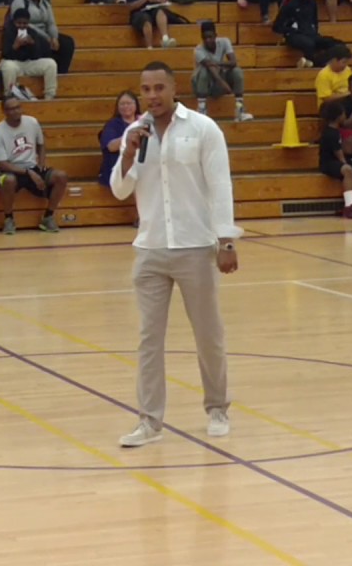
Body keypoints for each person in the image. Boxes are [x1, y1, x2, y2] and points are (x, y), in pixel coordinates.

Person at [109, 61, 237, 447]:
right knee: (149, 339)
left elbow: (219, 185)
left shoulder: (202, 129)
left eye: (158, 88)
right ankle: (149, 421)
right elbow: (118, 190)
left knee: (207, 334)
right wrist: (128, 154)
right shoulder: (136, 133)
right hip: (150, 249)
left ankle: (217, 408)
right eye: (145, 89)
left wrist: (226, 240)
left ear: (174, 88)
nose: (152, 96)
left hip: (196, 247)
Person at [0, 95, 68, 234]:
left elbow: (41, 144)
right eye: (11, 109)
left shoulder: (32, 122)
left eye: (17, 107)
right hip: (10, 169)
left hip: (32, 167)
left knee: (61, 176)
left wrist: (41, 163)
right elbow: (2, 164)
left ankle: (48, 216)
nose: (15, 111)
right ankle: (8, 219)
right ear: (4, 111)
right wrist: (29, 173)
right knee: (8, 180)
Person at [9, 0, 74, 73]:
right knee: (43, 44)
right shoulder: (19, 1)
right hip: (28, 32)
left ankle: (62, 73)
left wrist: (54, 37)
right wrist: (46, 38)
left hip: (46, 34)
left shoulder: (45, 3)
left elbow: (51, 23)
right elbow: (24, 24)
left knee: (67, 42)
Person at [275, 0, 337, 69]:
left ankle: (310, 63)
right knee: (309, 44)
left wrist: (314, 32)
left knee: (334, 44)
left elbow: (314, 21)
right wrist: (291, 30)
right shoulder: (290, 4)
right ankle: (317, 64)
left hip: (310, 33)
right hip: (294, 35)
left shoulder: (312, 3)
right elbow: (277, 26)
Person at [192, 21, 250, 121]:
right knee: (204, 70)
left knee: (237, 72)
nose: (208, 40)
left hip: (219, 78)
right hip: (204, 84)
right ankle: (202, 108)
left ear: (215, 36)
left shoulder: (224, 42)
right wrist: (223, 83)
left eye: (210, 37)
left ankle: (239, 109)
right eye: (205, 38)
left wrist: (217, 63)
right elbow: (210, 68)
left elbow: (233, 62)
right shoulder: (198, 50)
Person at [0, 7, 58, 100]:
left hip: (29, 64)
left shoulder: (32, 32)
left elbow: (37, 56)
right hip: (13, 63)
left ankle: (49, 96)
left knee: (51, 64)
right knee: (8, 67)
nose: (22, 26)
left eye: (25, 23)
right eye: (19, 23)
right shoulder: (8, 32)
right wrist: (15, 46)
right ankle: (9, 96)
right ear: (14, 22)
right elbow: (5, 55)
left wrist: (33, 45)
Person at [98, 90, 141, 184]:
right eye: (122, 104)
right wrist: (129, 137)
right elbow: (110, 147)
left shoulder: (144, 122)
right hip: (118, 170)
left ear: (136, 105)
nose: (126, 106)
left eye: (129, 103)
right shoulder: (113, 124)